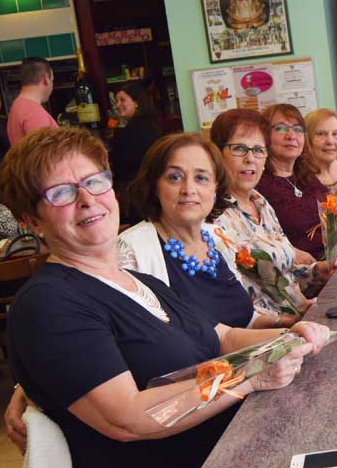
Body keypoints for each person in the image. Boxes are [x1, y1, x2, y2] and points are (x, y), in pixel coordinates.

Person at [0, 127, 337, 468]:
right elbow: (127, 417)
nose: (87, 200)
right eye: (62, 193)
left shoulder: (139, 281)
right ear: (31, 219)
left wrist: (292, 335)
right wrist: (251, 376)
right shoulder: (49, 304)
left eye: (94, 182)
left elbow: (221, 334)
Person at [118, 133, 295, 329]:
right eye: (175, 177)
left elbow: (243, 318)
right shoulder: (132, 249)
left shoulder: (216, 235)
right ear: (154, 186)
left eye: (201, 178)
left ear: (215, 188)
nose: (188, 189)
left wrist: (289, 322)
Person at [210, 108, 334, 305]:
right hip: (269, 328)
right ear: (217, 154)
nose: (250, 158)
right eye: (239, 148)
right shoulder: (213, 215)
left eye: (258, 150)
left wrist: (316, 271)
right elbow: (237, 298)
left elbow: (282, 272)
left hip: (302, 311)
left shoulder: (259, 201)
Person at [256, 104, 330, 259]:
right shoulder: (259, 186)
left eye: (297, 129)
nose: (291, 136)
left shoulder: (306, 176)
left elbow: (326, 221)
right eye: (281, 128)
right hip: (298, 273)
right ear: (264, 136)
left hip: (330, 261)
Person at [109, 81, 161, 187]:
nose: (118, 105)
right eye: (116, 101)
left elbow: (122, 163)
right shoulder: (148, 124)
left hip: (136, 187)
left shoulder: (135, 128)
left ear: (136, 102)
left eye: (122, 100)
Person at [6, 57, 58, 145]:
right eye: (52, 80)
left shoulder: (17, 106)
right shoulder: (34, 113)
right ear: (46, 78)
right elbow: (45, 155)